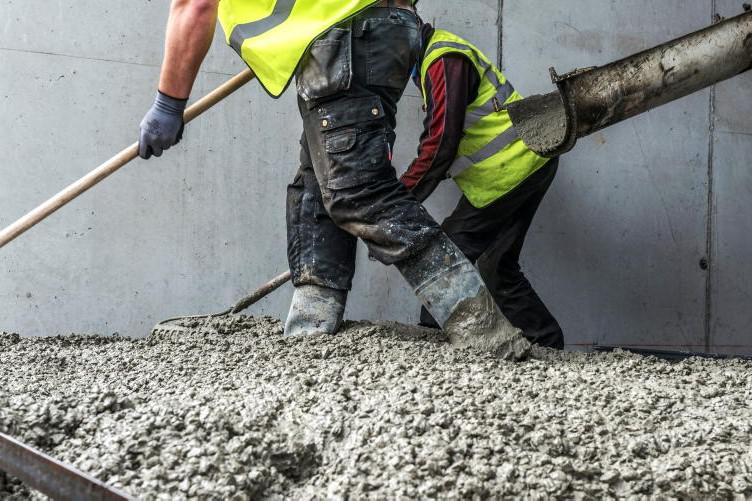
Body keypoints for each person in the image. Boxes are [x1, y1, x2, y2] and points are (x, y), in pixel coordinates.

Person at [136, 0, 532, 360]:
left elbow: (195, 4)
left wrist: (168, 103)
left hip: (350, 36)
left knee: (359, 191)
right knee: (317, 187)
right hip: (361, 33)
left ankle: (488, 334)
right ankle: (310, 333)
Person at [401, 21, 565, 349]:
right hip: (528, 161)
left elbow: (440, 143)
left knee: (443, 260)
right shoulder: (435, 58)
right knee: (497, 264)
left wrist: (398, 201)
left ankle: (434, 345)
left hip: (510, 169)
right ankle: (547, 344)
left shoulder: (442, 59)